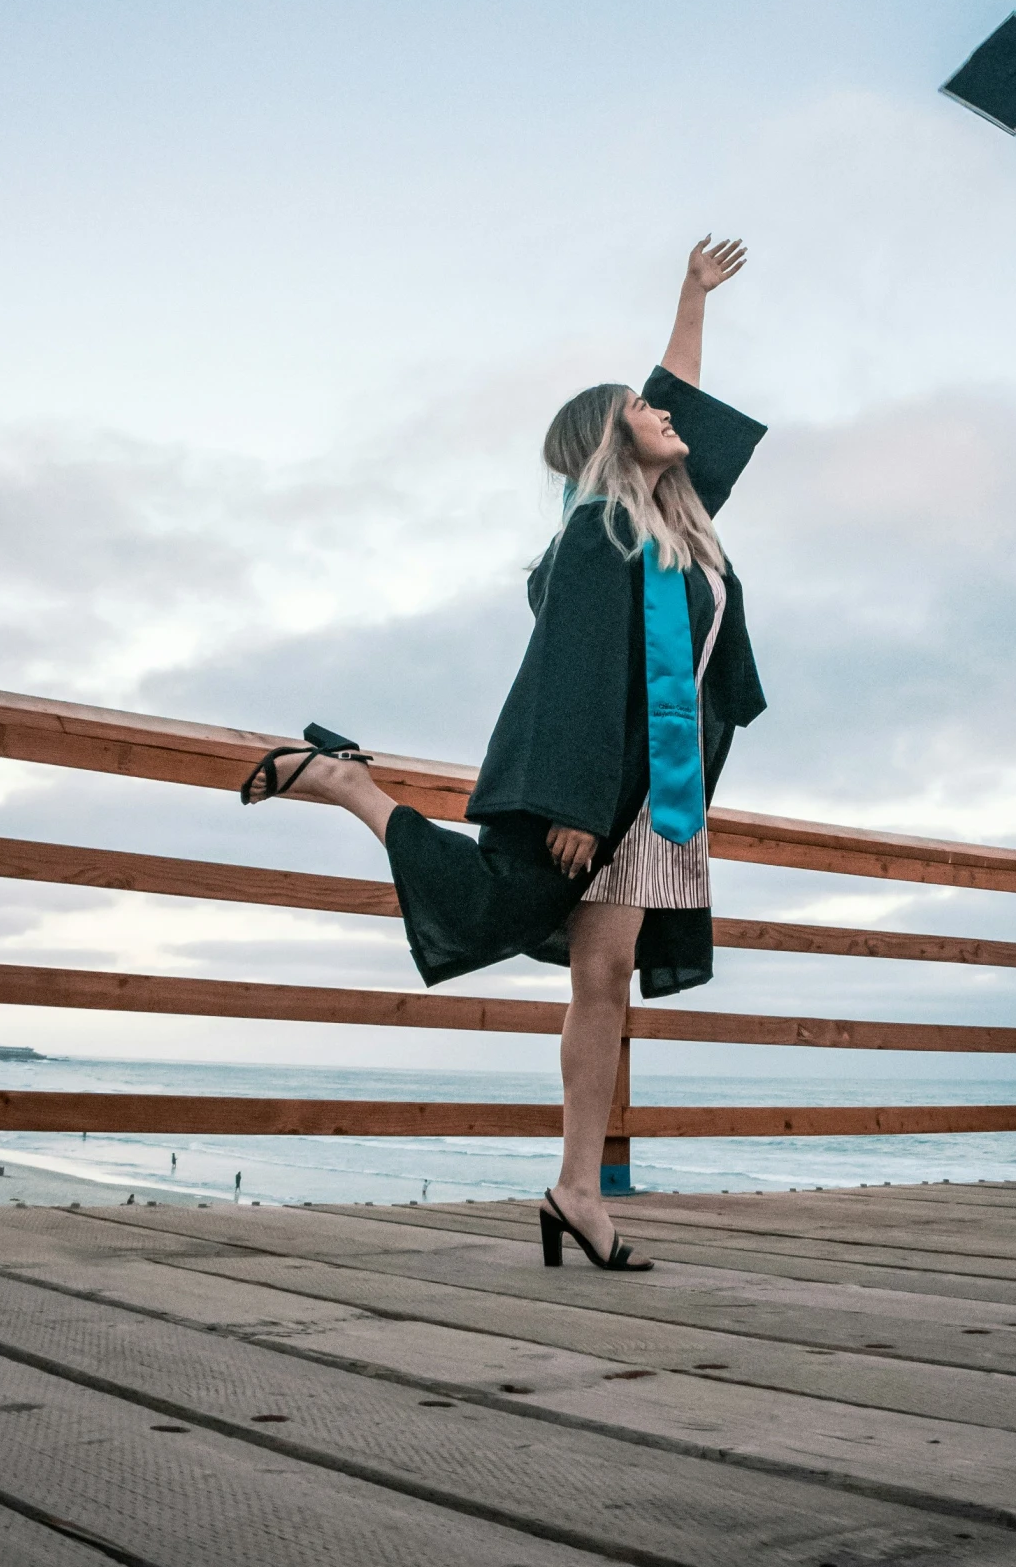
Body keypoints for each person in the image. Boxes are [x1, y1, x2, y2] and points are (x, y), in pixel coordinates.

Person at [241, 238, 766, 1273]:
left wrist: (691, 299)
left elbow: (679, 399)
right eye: (644, 410)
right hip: (596, 785)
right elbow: (570, 672)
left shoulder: (681, 529)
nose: (670, 418)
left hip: (662, 795)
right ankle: (350, 783)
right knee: (493, 905)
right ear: (611, 437)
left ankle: (577, 1189)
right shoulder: (598, 533)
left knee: (603, 980)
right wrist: (569, 797)